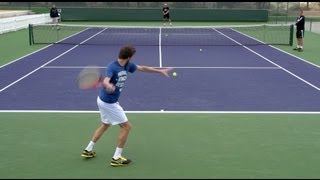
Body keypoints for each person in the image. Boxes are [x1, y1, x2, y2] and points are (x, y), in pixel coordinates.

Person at [81, 45, 173, 167]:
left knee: (105, 124)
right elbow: (106, 80)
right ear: (129, 57)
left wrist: (160, 71)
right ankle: (116, 157)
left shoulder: (127, 65)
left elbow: (142, 68)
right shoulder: (112, 67)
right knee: (126, 127)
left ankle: (88, 150)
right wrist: (108, 85)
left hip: (104, 101)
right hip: (109, 102)